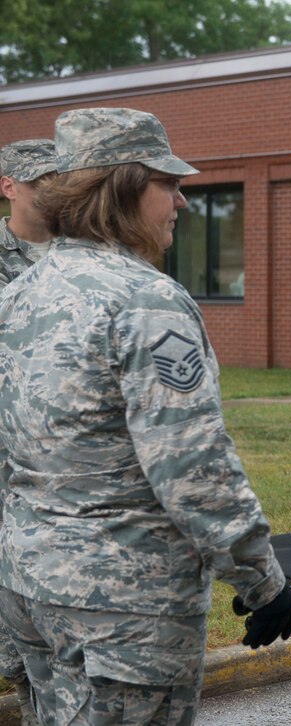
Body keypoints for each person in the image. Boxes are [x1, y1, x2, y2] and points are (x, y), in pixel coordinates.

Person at [0, 107, 291, 726]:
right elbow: (194, 469)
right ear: (126, 186)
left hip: (29, 588)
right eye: (170, 184)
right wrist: (262, 582)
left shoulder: (19, 293)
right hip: (125, 610)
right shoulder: (147, 301)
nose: (183, 202)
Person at [0, 139, 61, 726]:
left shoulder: (92, 251)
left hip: (65, 457)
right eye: (38, 180)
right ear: (9, 187)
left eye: (59, 178)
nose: (51, 189)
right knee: (14, 640)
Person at [1, 139, 62, 290]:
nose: (53, 194)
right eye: (40, 185)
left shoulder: (82, 240)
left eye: (60, 183)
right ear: (9, 188)